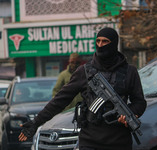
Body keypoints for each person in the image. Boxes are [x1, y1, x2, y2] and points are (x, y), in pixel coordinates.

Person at [18, 27, 147, 150]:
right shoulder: (85, 72)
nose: (101, 45)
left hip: (119, 141)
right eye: (98, 41)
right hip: (90, 141)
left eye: (105, 41)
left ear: (114, 44)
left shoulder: (130, 72)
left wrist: (129, 113)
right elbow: (60, 100)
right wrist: (36, 122)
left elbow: (140, 102)